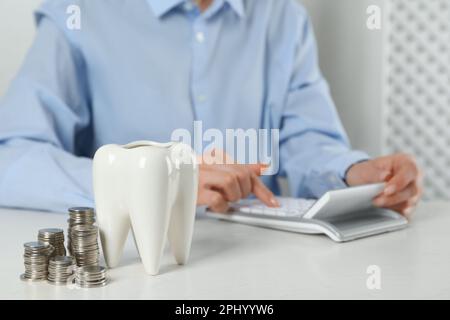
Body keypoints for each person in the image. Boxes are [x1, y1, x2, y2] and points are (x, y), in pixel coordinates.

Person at [0, 0, 422, 215]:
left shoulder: (281, 15)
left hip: (266, 274)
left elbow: (306, 141)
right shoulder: (81, 13)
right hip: (136, 272)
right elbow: (12, 162)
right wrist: (143, 184)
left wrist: (356, 173)